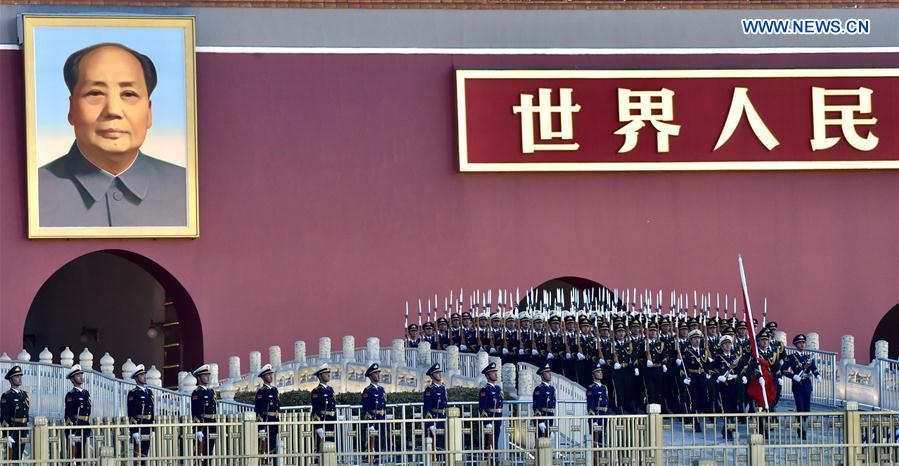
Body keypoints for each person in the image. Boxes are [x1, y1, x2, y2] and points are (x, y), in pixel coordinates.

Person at [38, 42, 187, 227]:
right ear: (71, 109)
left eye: (129, 94)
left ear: (149, 113)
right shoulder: (34, 190)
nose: (113, 110)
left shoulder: (187, 188)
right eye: (95, 93)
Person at [783, 334, 820, 439]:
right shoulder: (790, 358)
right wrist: (793, 376)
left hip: (807, 385)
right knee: (800, 408)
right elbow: (783, 370)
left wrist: (818, 375)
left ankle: (805, 428)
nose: (802, 344)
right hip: (798, 385)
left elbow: (813, 368)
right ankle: (801, 430)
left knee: (807, 409)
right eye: (800, 343)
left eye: (803, 342)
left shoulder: (808, 357)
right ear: (795, 344)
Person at [712, 335, 747, 440]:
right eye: (725, 344)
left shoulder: (735, 357)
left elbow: (741, 369)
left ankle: (729, 428)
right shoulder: (718, 358)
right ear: (722, 345)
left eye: (729, 343)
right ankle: (728, 430)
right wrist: (718, 377)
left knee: (734, 407)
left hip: (735, 384)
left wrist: (743, 376)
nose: (728, 345)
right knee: (726, 408)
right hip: (724, 386)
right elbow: (711, 370)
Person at [127, 364, 154, 464]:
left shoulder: (149, 392)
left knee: (145, 453)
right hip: (139, 425)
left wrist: (153, 427)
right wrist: (134, 430)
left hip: (147, 425)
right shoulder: (133, 393)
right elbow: (131, 413)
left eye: (144, 374)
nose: (145, 376)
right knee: (138, 455)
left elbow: (152, 410)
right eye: (142, 375)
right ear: (136, 377)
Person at [64, 364, 92, 461]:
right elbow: (68, 413)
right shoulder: (71, 394)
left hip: (85, 425)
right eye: (77, 375)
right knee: (74, 456)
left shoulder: (85, 393)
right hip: (76, 426)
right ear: (72, 379)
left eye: (81, 374)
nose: (80, 377)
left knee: (83, 455)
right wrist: (70, 430)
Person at [190, 364, 217, 464]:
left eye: (208, 375)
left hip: (212, 424)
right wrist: (198, 429)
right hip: (203, 425)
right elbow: (195, 412)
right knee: (201, 453)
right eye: (205, 375)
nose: (207, 377)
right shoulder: (197, 393)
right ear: (199, 377)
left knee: (209, 452)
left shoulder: (211, 392)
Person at [1, 366, 29, 461]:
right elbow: (4, 416)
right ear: (11, 379)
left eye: (20, 376)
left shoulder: (24, 394)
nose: (20, 378)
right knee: (12, 457)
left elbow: (26, 412)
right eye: (17, 376)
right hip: (14, 430)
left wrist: (27, 428)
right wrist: (6, 434)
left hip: (23, 428)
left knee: (20, 456)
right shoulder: (7, 395)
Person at [682, 330, 708, 432]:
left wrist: (708, 372)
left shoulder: (703, 352)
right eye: (695, 339)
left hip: (702, 377)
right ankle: (695, 422)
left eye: (698, 338)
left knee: (703, 398)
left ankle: (702, 419)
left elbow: (706, 365)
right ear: (691, 340)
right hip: (692, 377)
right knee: (694, 399)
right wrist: (685, 376)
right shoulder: (687, 352)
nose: (697, 340)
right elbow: (684, 366)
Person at [254, 364, 280, 463]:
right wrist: (261, 428)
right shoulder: (261, 391)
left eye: (271, 374)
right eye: (268, 374)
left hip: (275, 421)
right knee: (265, 447)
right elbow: (258, 410)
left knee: (274, 446)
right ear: (263, 377)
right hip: (266, 421)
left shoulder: (274, 390)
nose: (270, 376)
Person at [362, 363, 387, 460]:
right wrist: (370, 423)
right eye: (376, 373)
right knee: (373, 442)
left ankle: (378, 458)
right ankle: (370, 459)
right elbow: (367, 408)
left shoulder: (381, 389)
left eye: (378, 373)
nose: (378, 375)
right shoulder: (368, 390)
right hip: (374, 419)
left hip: (381, 418)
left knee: (381, 440)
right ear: (371, 376)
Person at [586, 363, 609, 464]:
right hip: (597, 417)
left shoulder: (604, 387)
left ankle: (601, 461)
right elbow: (590, 406)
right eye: (598, 372)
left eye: (601, 371)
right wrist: (594, 420)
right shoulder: (591, 388)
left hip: (604, 416)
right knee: (596, 442)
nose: (600, 373)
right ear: (593, 374)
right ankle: (596, 462)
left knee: (602, 441)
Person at [478, 362, 503, 452]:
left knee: (495, 441)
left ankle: (495, 461)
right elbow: (482, 408)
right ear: (487, 376)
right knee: (489, 443)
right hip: (490, 418)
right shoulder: (485, 390)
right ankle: (489, 461)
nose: (496, 374)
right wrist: (487, 422)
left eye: (496, 372)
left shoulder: (497, 388)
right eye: (493, 372)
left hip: (497, 418)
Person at [311, 364, 336, 450]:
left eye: (328, 373)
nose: (328, 375)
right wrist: (318, 427)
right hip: (323, 420)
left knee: (331, 445)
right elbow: (316, 409)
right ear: (320, 376)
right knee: (322, 447)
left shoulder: (330, 389)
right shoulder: (316, 391)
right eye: (325, 373)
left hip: (331, 420)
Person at [423, 363, 448, 449]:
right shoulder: (430, 389)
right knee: (436, 443)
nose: (440, 375)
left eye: (440, 372)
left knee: (444, 442)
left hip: (443, 417)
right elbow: (427, 407)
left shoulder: (442, 388)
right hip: (435, 418)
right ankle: (435, 461)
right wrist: (430, 424)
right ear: (432, 375)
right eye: (437, 373)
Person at [533, 363, 556, 439]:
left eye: (550, 372)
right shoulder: (539, 389)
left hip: (550, 416)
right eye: (547, 372)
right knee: (541, 442)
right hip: (543, 416)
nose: (549, 374)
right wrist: (540, 421)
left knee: (547, 441)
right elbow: (536, 407)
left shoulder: (552, 389)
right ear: (542, 375)